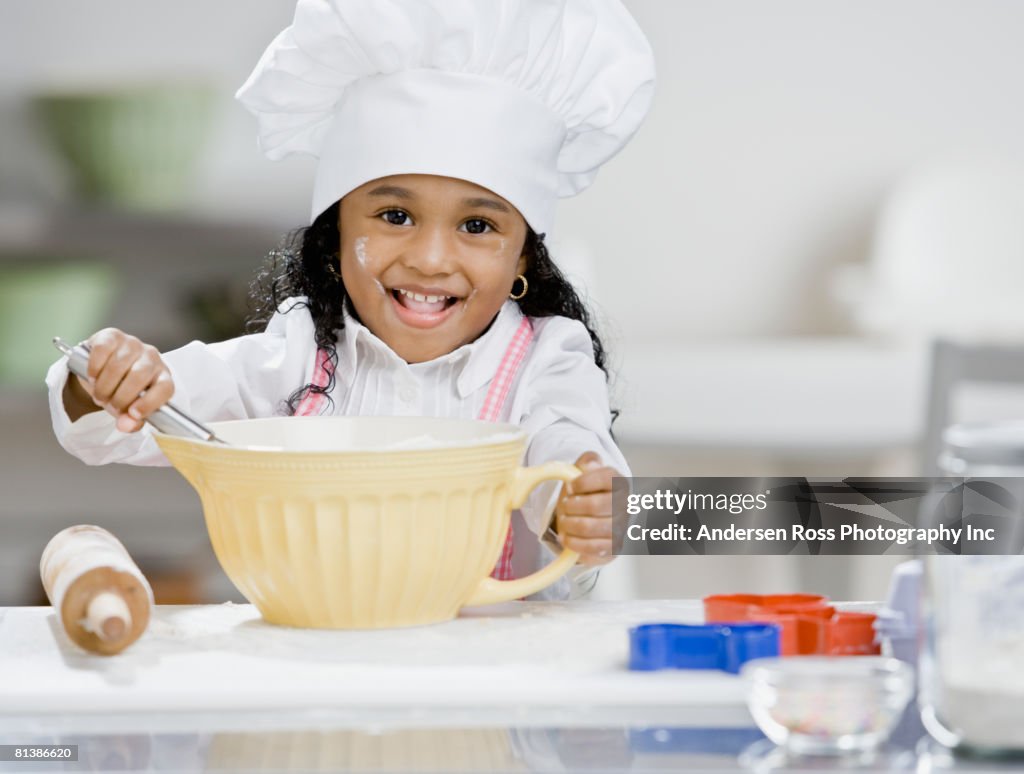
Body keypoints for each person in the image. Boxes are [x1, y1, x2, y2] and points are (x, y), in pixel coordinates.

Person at [46, 0, 655, 598]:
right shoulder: (297, 356)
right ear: (335, 236)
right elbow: (122, 423)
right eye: (395, 215)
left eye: (477, 227)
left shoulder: (546, 360)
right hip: (318, 671)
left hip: (497, 680)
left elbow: (571, 446)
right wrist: (107, 376)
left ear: (523, 256)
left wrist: (583, 505)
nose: (430, 259)